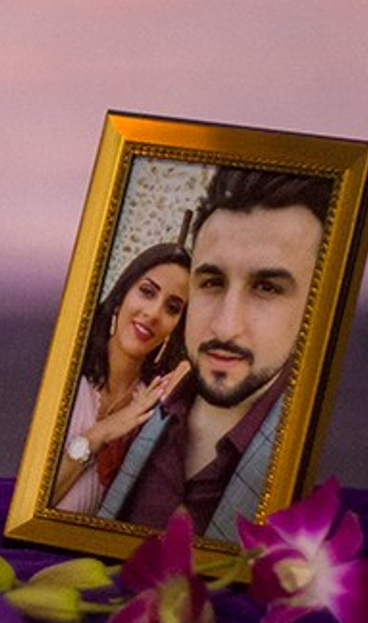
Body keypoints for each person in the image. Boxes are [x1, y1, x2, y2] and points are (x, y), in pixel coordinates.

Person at [100, 165, 332, 540]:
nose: (225, 326)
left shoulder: (312, 451)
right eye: (211, 282)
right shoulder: (149, 410)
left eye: (267, 288)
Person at [52, 242, 192, 515]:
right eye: (147, 292)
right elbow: (25, 504)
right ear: (121, 297)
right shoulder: (67, 373)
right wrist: (101, 433)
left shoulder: (150, 405)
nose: (153, 313)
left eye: (173, 308)